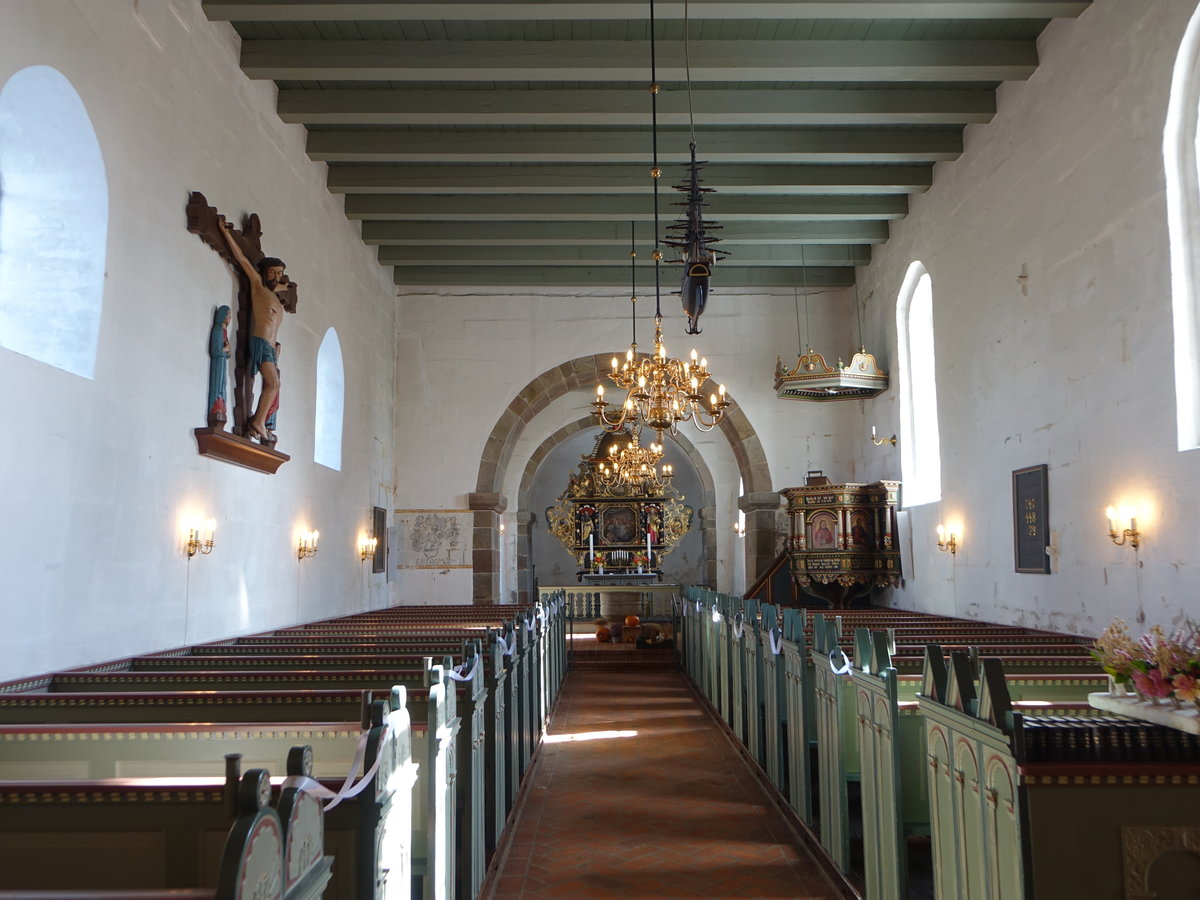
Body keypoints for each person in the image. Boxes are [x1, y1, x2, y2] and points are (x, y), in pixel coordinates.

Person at [219, 223, 288, 441]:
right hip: (259, 342)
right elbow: (241, 259)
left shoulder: (275, 296)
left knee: (275, 384)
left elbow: (286, 288)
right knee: (274, 384)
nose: (277, 276)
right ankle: (258, 421)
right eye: (273, 272)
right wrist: (226, 233)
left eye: (280, 273)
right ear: (264, 272)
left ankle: (259, 421)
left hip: (269, 346)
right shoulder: (257, 286)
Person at [206, 305, 231, 427]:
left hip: (222, 363)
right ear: (223, 316)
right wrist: (225, 349)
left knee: (223, 386)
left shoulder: (224, 332)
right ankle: (216, 408)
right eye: (228, 315)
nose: (229, 318)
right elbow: (215, 351)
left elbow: (227, 353)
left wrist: (228, 351)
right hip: (217, 363)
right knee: (217, 385)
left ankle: (221, 407)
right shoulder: (217, 330)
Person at [264, 341, 281, 439]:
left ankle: (270, 428)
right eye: (276, 351)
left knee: (274, 408)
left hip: (276, 395)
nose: (277, 354)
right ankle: (266, 426)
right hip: (271, 393)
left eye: (278, 352)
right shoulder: (269, 367)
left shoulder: (276, 368)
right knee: (269, 406)